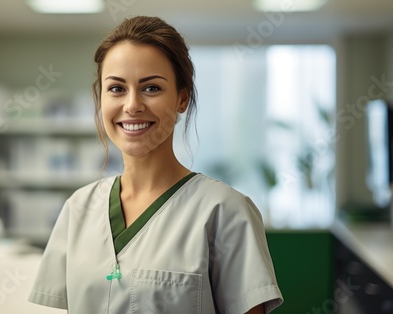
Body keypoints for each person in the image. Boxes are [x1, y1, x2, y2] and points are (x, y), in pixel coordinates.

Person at [28, 16, 283, 314]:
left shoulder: (224, 212)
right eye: (116, 89)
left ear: (182, 99)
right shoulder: (78, 209)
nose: (132, 105)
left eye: (151, 88)